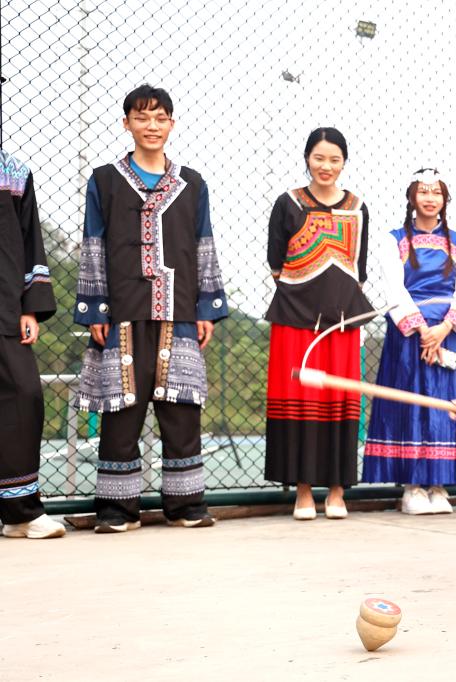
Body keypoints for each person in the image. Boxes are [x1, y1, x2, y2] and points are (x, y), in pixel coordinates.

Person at [73, 84, 228, 532]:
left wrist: (206, 306)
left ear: (172, 124)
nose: (152, 126)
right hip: (122, 309)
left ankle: (186, 505)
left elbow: (203, 243)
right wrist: (95, 308)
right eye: (142, 117)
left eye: (160, 118)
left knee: (181, 407)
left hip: (180, 310)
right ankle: (117, 509)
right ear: (127, 124)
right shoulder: (105, 180)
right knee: (122, 408)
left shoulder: (191, 183)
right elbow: (93, 243)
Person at [264, 127, 371, 520]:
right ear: (307, 158)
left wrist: (337, 304)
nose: (326, 166)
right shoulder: (288, 202)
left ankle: (338, 491)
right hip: (294, 319)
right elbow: (276, 262)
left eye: (334, 159)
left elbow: (359, 270)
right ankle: (303, 491)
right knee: (299, 398)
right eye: (319, 158)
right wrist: (304, 295)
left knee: (339, 399)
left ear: (344, 162)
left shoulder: (358, 207)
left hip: (343, 321)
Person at [362, 168, 456, 514]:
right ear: (412, 197)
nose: (430, 198)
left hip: (447, 333)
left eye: (436, 192)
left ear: (445, 199)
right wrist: (421, 328)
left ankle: (439, 486)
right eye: (423, 192)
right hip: (409, 334)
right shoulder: (394, 239)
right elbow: (393, 288)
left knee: (444, 404)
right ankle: (412, 487)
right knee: (410, 404)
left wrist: (444, 328)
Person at [0, 149, 65, 539]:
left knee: (24, 397)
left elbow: (29, 239)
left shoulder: (13, 172)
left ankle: (20, 513)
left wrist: (29, 307)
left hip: (5, 307)